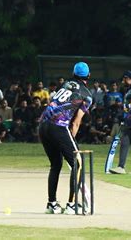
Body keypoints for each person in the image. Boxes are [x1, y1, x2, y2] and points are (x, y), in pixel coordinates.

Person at [39, 61, 93, 215]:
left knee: (56, 164)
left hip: (43, 125)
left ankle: (52, 204)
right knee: (78, 163)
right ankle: (71, 205)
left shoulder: (66, 85)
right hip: (59, 126)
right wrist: (70, 143)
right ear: (88, 76)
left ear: (73, 74)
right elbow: (75, 123)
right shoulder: (87, 95)